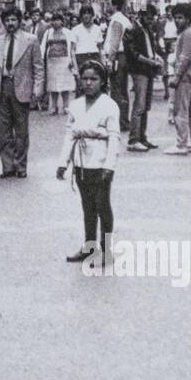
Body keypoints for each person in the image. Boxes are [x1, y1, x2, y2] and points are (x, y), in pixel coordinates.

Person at [57, 61, 121, 263]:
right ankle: (89, 246)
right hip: (81, 161)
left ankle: (106, 250)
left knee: (102, 205)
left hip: (100, 162)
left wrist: (109, 166)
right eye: (85, 78)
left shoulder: (109, 105)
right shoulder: (76, 105)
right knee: (87, 206)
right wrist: (63, 162)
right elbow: (70, 134)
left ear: (102, 82)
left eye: (94, 79)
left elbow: (114, 137)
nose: (89, 83)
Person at [0, 6, 45, 179]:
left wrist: (37, 89)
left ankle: (21, 166)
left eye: (14, 20)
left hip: (22, 87)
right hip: (2, 87)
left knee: (21, 130)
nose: (10, 23)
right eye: (7, 20)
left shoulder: (31, 40)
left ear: (19, 21)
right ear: (3, 22)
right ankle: (7, 166)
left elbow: (38, 67)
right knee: (3, 130)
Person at [164, 6, 191, 155]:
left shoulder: (187, 34)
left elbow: (185, 57)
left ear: (188, 19)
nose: (177, 20)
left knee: (180, 111)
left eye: (180, 17)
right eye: (176, 17)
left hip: (185, 77)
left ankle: (181, 144)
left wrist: (176, 76)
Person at [124, 5, 164, 150]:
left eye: (152, 18)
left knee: (145, 105)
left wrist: (156, 58)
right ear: (141, 16)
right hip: (139, 70)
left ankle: (142, 137)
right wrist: (151, 61)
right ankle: (134, 139)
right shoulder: (132, 29)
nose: (151, 21)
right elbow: (133, 54)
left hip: (148, 69)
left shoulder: (146, 30)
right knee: (139, 105)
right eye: (148, 18)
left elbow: (150, 49)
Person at [101, 0, 133, 133]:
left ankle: (121, 122)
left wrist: (109, 61)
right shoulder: (121, 19)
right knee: (121, 89)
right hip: (122, 57)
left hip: (118, 58)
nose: (106, 7)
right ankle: (123, 120)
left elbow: (114, 43)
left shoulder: (117, 20)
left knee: (117, 90)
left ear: (115, 5)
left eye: (108, 4)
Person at [40, 13, 76, 116]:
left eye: (57, 20)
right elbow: (43, 47)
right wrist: (42, 59)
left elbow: (72, 48)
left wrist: (71, 61)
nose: (55, 22)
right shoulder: (48, 33)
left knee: (65, 85)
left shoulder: (68, 33)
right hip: (52, 62)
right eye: (53, 20)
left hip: (64, 61)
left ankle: (66, 107)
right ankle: (54, 107)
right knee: (53, 86)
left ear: (62, 21)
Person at [70, 5, 103, 73]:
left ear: (92, 15)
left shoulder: (97, 29)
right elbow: (72, 50)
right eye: (84, 13)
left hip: (95, 58)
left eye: (88, 13)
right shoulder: (75, 30)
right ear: (81, 15)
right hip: (81, 58)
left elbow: (101, 49)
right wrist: (75, 67)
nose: (86, 16)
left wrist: (103, 64)